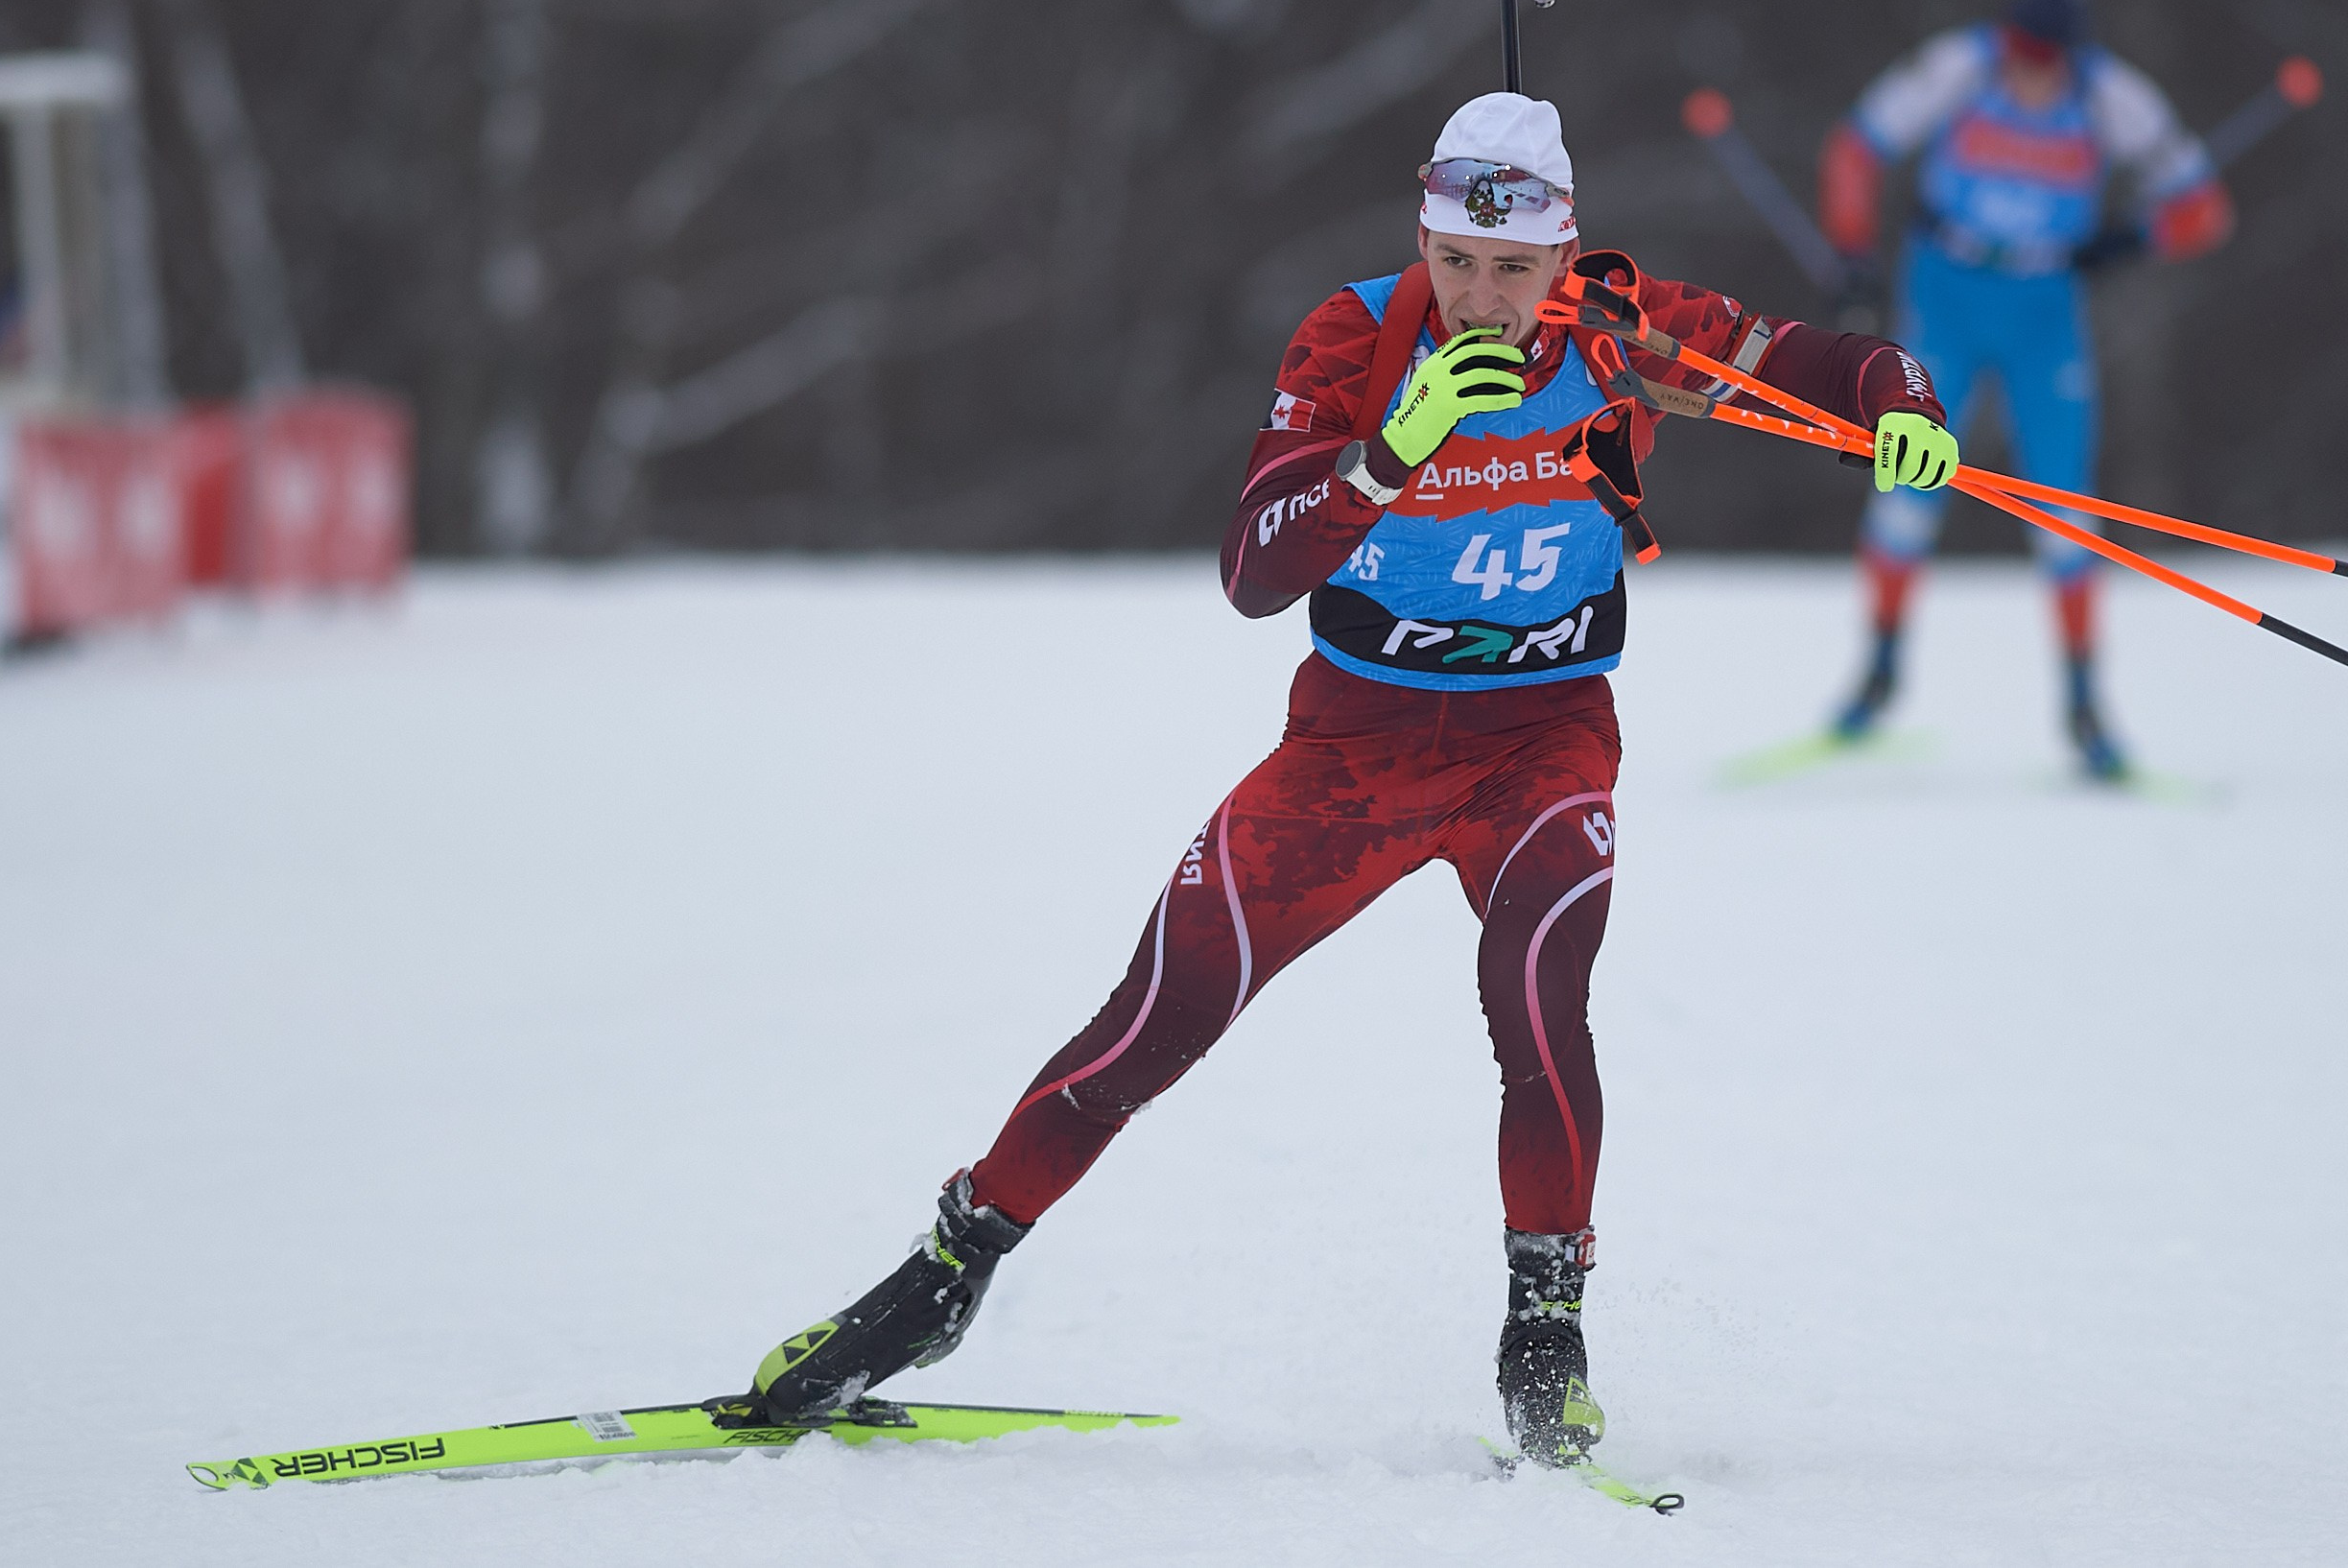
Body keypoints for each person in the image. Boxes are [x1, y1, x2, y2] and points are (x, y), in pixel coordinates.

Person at [736, 92, 1957, 1468]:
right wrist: (1387, 452)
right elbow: (1255, 573)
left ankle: (1543, 1334)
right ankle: (945, 1274)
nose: (1482, 297)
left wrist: (1903, 409)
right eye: (1456, 262)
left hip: (1541, 742)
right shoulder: (1355, 338)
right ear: (1424, 239)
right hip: (1351, 754)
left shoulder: (1622, 331)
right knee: (1158, 1017)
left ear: (1565, 255)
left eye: (1513, 268)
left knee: (1541, 993)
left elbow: (1822, 363)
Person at [1817, 0, 2232, 780]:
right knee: (1906, 484)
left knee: (2064, 507)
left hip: (2044, 313)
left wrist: (2132, 239)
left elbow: (2203, 209)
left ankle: (2084, 704)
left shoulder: (2113, 96)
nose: (2030, 74)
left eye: (2046, 61)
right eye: (2020, 55)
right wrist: (1853, 248)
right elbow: (1856, 146)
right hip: (1947, 299)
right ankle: (1877, 674)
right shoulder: (1959, 67)